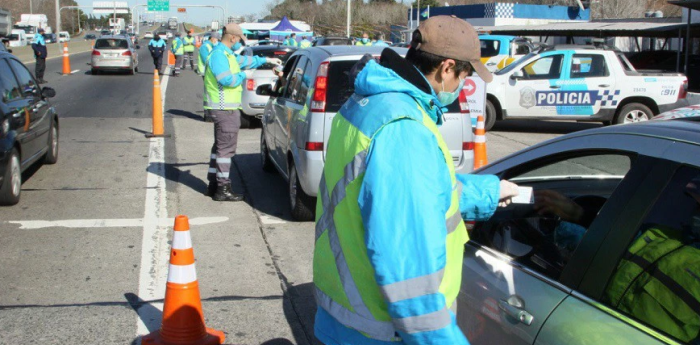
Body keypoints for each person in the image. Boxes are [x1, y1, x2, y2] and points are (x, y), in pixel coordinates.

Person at [312, 16, 519, 345]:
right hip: (378, 331)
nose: (464, 86)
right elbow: (410, 277)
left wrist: (491, 191)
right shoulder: (404, 129)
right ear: (446, 68)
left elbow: (407, 194)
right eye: (465, 76)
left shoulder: (371, 104)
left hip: (345, 318)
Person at [204, 23, 282, 201]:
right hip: (225, 108)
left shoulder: (226, 54)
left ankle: (214, 183)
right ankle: (222, 188)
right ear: (232, 38)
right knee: (226, 150)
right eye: (239, 39)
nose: (240, 42)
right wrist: (244, 76)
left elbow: (245, 61)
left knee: (219, 148)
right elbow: (228, 80)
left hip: (224, 108)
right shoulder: (219, 56)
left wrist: (266, 61)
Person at [199, 32, 220, 122]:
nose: (217, 41)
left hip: (209, 72)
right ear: (213, 38)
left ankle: (211, 113)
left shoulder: (210, 46)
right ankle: (208, 114)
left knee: (212, 91)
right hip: (206, 71)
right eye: (217, 39)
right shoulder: (205, 46)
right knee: (208, 92)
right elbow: (206, 60)